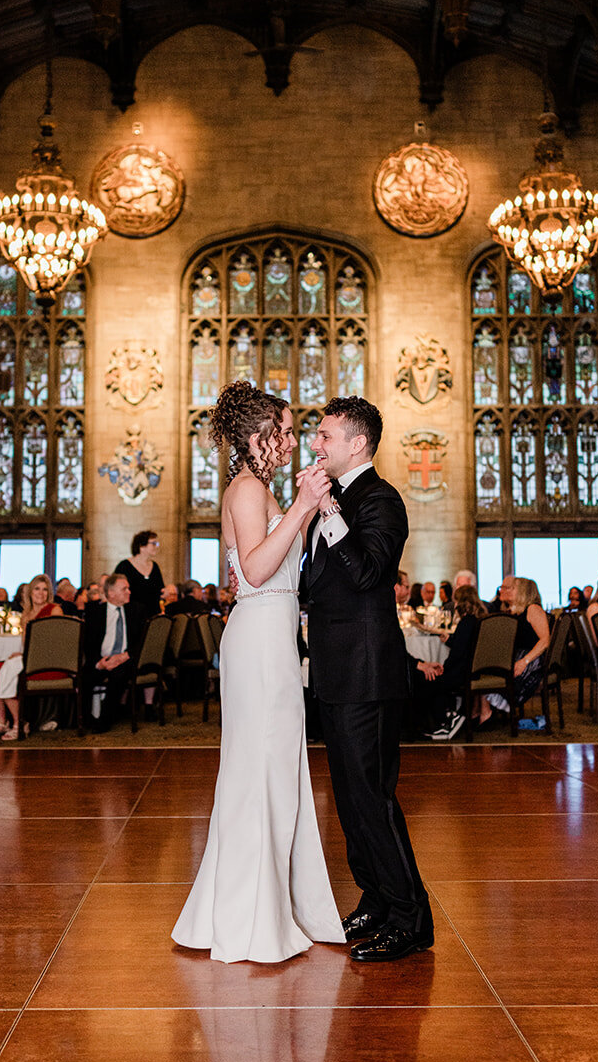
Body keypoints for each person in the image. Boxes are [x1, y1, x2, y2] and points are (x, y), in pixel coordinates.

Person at [173, 382, 342, 963]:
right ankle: (250, 917)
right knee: (259, 770)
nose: (295, 441)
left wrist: (314, 511)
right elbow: (251, 571)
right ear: (255, 437)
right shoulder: (247, 490)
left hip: (275, 635)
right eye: (287, 431)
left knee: (277, 769)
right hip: (260, 635)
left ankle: (271, 904)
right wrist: (298, 510)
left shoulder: (260, 490)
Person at [303, 394, 433, 963]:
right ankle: (377, 899)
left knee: (373, 799)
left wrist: (328, 515)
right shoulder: (330, 498)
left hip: (368, 672)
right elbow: (317, 583)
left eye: (326, 436)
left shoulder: (381, 499)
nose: (315, 443)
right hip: (333, 669)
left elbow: (368, 573)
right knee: (349, 803)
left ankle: (411, 917)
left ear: (358, 444)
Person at [0, 574, 63, 740]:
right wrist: (22, 654)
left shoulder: (54, 609)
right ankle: (1, 722)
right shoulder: (27, 614)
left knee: (9, 671)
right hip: (29, 659)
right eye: (37, 589)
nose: (41, 593)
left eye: (45, 589)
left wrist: (26, 655)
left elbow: (54, 642)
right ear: (30, 592)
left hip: (48, 663)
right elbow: (26, 644)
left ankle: (19, 724)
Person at [415, 583, 486, 740]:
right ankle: (447, 717)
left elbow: (457, 654)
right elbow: (465, 645)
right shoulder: (478, 620)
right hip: (473, 669)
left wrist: (444, 668)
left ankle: (443, 723)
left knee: (431, 680)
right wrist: (449, 641)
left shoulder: (465, 622)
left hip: (463, 671)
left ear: (460, 602)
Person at [481, 576, 550, 728]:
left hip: (531, 660)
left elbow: (545, 640)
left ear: (522, 591)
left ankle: (486, 714)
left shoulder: (533, 609)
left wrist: (525, 661)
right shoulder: (511, 612)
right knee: (482, 666)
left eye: (510, 588)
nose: (504, 590)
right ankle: (482, 712)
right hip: (516, 656)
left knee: (491, 669)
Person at [83, 573, 145, 732]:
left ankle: (105, 720)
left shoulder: (135, 610)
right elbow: (87, 643)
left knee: (118, 674)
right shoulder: (95, 612)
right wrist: (99, 662)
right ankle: (85, 719)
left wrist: (124, 656)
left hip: (126, 659)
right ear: (110, 593)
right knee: (85, 675)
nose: (129, 592)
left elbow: (143, 640)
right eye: (124, 589)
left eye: (128, 588)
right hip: (102, 658)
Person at [114, 529, 165, 614]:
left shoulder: (155, 566)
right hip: (132, 614)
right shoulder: (124, 566)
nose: (156, 546)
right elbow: (117, 590)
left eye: (156, 543)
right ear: (142, 546)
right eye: (153, 544)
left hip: (153, 614)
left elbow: (160, 589)